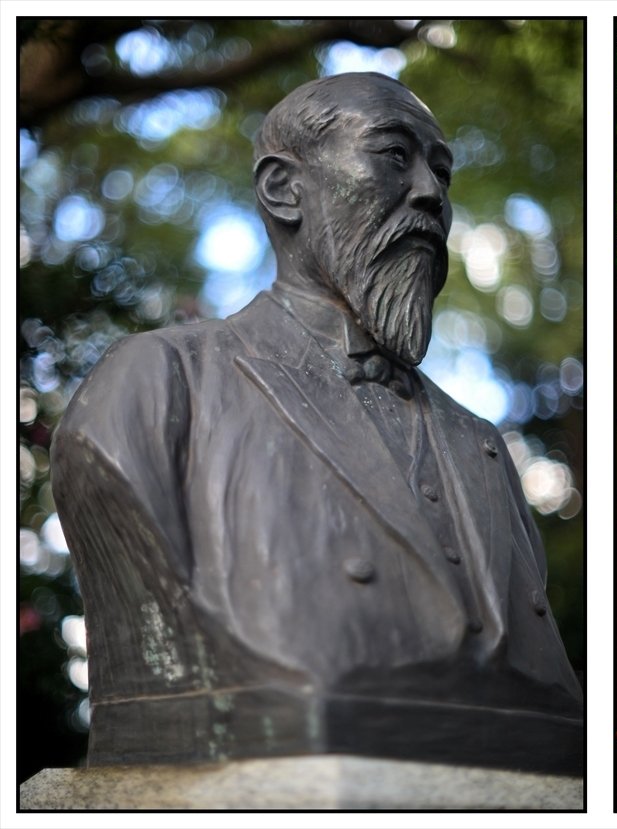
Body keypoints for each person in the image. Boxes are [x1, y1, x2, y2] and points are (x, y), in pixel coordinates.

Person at [51, 73, 582, 775]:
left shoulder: (478, 441)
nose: (430, 192)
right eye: (394, 156)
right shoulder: (158, 387)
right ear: (283, 189)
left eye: (441, 172)